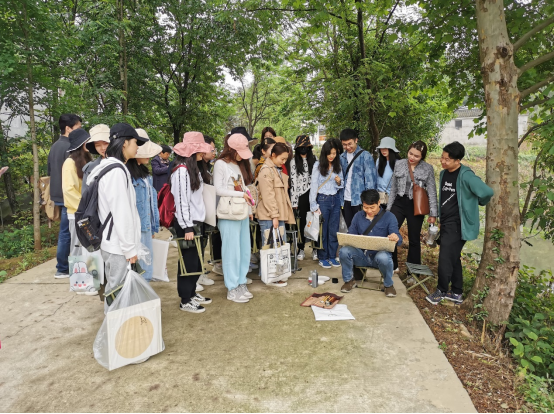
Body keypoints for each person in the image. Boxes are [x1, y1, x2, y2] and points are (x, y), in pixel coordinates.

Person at [86, 123, 148, 313]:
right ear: (124, 143)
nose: (137, 147)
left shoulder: (112, 168)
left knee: (118, 289)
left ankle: (119, 327)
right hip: (117, 245)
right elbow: (121, 212)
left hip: (115, 243)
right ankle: (114, 328)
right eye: (135, 142)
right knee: (117, 292)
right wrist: (129, 249)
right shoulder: (115, 171)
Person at [426, 142, 494, 305]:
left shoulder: (466, 175)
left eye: (447, 159)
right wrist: (440, 220)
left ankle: (441, 291)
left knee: (445, 258)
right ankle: (456, 292)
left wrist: (478, 203)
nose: (443, 161)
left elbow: (487, 192)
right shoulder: (444, 174)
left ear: (457, 160)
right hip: (446, 222)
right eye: (442, 157)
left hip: (458, 224)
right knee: (453, 257)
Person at [170, 132, 214, 313]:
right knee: (187, 262)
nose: (203, 153)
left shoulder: (193, 169)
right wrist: (187, 226)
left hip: (196, 221)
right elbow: (181, 201)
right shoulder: (181, 171)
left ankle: (192, 292)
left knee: (196, 262)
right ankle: (185, 299)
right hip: (187, 223)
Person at [214, 133, 255, 303]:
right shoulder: (220, 164)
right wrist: (240, 195)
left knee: (244, 250)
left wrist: (249, 206)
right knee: (231, 252)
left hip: (241, 211)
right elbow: (218, 189)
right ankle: (232, 287)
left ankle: (241, 281)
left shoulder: (238, 165)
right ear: (231, 149)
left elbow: (243, 187)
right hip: (229, 213)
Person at [339, 190, 402, 297]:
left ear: (379, 203)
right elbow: (351, 235)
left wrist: (395, 237)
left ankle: (388, 285)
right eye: (365, 207)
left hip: (379, 258)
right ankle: (349, 281)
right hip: (361, 256)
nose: (369, 211)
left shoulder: (389, 217)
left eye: (372, 207)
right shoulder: (358, 216)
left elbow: (399, 240)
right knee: (344, 251)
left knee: (384, 257)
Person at [387, 140, 438, 270]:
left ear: (422, 157)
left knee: (414, 239)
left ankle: (413, 273)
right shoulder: (399, 164)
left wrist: (433, 214)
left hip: (416, 205)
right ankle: (392, 266)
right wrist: (389, 208)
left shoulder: (427, 168)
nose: (412, 157)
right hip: (399, 202)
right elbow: (393, 188)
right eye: (410, 153)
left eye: (416, 156)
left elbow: (432, 192)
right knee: (390, 232)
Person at [48, 114, 82, 279]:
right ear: (68, 128)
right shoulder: (70, 146)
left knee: (65, 232)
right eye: (78, 127)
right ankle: (62, 268)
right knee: (67, 233)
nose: (80, 131)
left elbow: (49, 171)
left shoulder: (54, 146)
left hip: (57, 193)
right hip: (67, 195)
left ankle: (63, 267)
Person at [257, 143, 295, 285]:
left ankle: (276, 274)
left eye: (285, 159)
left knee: (277, 246)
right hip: (270, 216)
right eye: (282, 159)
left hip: (276, 215)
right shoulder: (266, 171)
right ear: (273, 155)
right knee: (270, 247)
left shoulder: (275, 169)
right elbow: (268, 196)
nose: (284, 162)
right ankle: (270, 275)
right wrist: (274, 215)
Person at [126, 129, 162, 283]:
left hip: (145, 226)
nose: (149, 155)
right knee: (139, 269)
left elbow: (150, 202)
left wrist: (152, 226)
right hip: (135, 228)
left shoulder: (145, 174)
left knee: (146, 265)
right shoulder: (127, 174)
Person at [310, 140, 344, 269]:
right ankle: (323, 257)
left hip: (335, 199)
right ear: (325, 153)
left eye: (334, 153)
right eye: (329, 153)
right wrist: (313, 204)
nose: (331, 156)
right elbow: (314, 185)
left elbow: (341, 183)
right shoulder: (318, 165)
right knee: (323, 230)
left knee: (333, 230)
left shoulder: (337, 166)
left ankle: (332, 256)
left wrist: (339, 181)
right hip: (323, 200)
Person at [62, 128, 92, 257]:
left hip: (88, 212)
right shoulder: (70, 163)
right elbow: (69, 190)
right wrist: (85, 207)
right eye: (87, 141)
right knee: (77, 249)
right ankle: (76, 271)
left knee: (90, 248)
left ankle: (90, 271)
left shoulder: (85, 160)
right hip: (77, 213)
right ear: (81, 144)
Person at [339, 129, 377, 228]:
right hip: (345, 199)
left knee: (363, 229)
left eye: (349, 144)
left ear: (356, 140)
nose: (347, 147)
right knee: (350, 228)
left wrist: (369, 202)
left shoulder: (365, 156)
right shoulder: (341, 157)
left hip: (360, 201)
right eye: (344, 144)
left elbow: (371, 181)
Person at [290, 135, 317, 261]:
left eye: (305, 147)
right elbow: (293, 182)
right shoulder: (293, 162)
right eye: (301, 147)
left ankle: (315, 249)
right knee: (301, 224)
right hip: (301, 196)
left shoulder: (315, 160)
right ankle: (301, 248)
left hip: (313, 194)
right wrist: (294, 201)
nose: (303, 149)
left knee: (314, 222)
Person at [82, 125, 110, 194]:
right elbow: (85, 194)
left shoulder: (124, 162)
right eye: (98, 145)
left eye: (106, 143)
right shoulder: (90, 168)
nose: (103, 148)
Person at [375, 137, 401, 207]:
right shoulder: (378, 161)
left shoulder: (398, 163)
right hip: (379, 197)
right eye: (382, 148)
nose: (383, 150)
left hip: (392, 199)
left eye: (386, 148)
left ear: (391, 149)